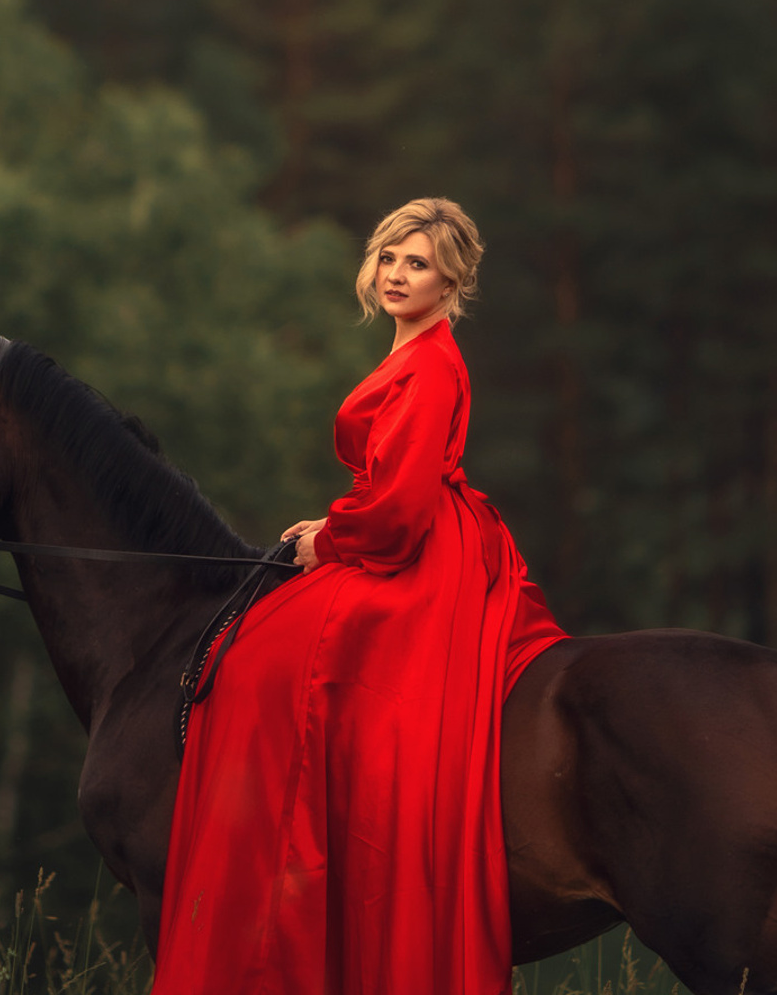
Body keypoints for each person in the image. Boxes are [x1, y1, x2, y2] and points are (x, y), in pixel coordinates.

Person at [152, 196, 568, 995]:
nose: (398, 275)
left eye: (418, 264)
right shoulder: (410, 351)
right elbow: (390, 485)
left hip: (414, 547)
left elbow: (402, 510)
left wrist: (328, 541)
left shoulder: (434, 363)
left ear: (452, 282)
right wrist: (338, 520)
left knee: (261, 654)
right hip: (399, 527)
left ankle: (288, 864)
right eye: (390, 259)